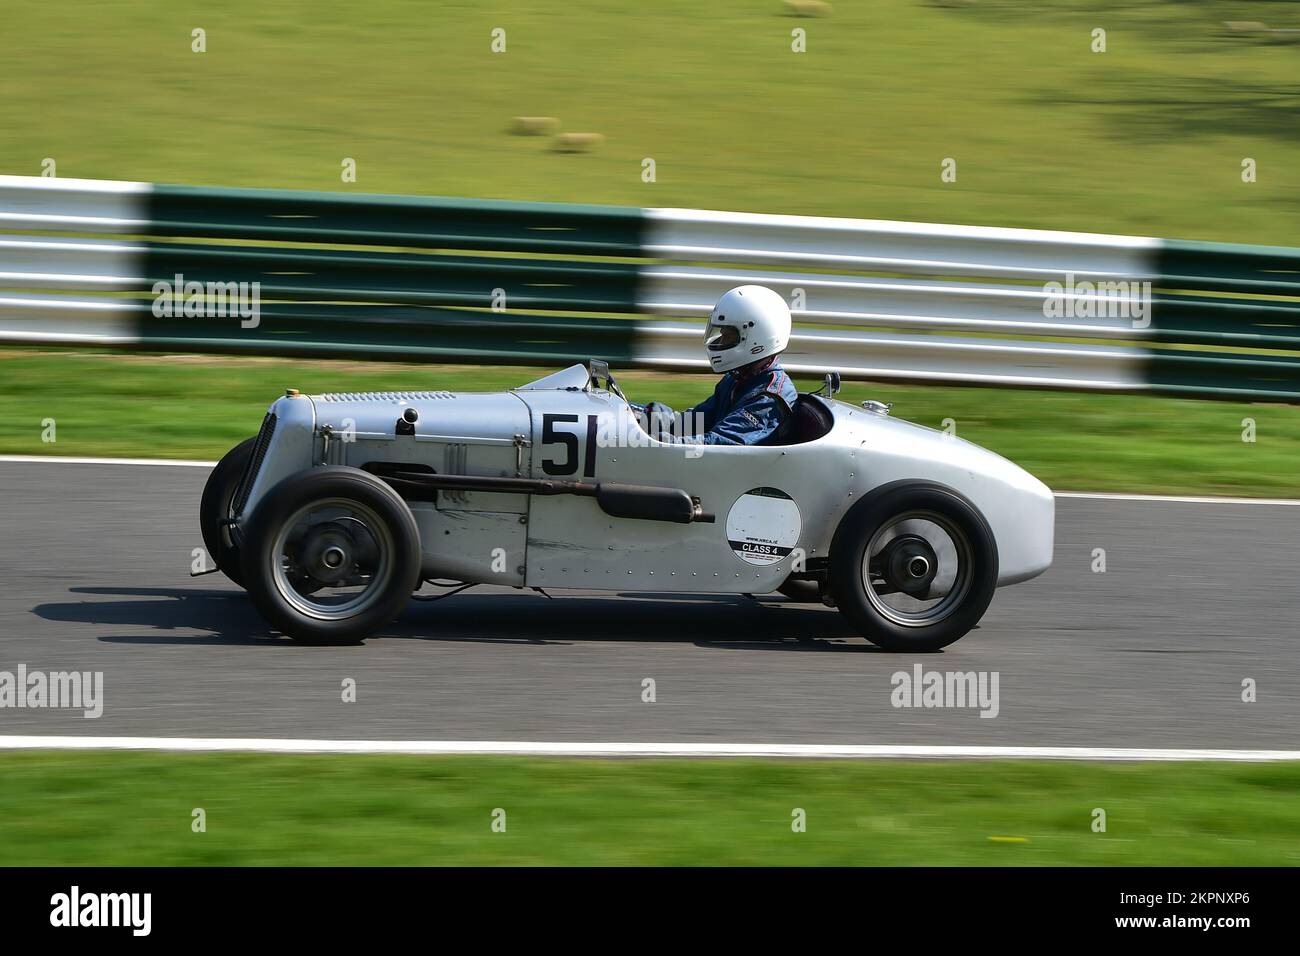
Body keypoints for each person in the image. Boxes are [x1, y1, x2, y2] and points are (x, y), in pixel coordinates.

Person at [634, 285, 797, 446]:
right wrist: (638, 415)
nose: (721, 342)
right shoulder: (736, 379)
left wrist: (656, 441)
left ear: (757, 339)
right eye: (722, 334)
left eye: (729, 336)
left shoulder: (768, 399)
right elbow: (695, 422)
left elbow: (717, 445)